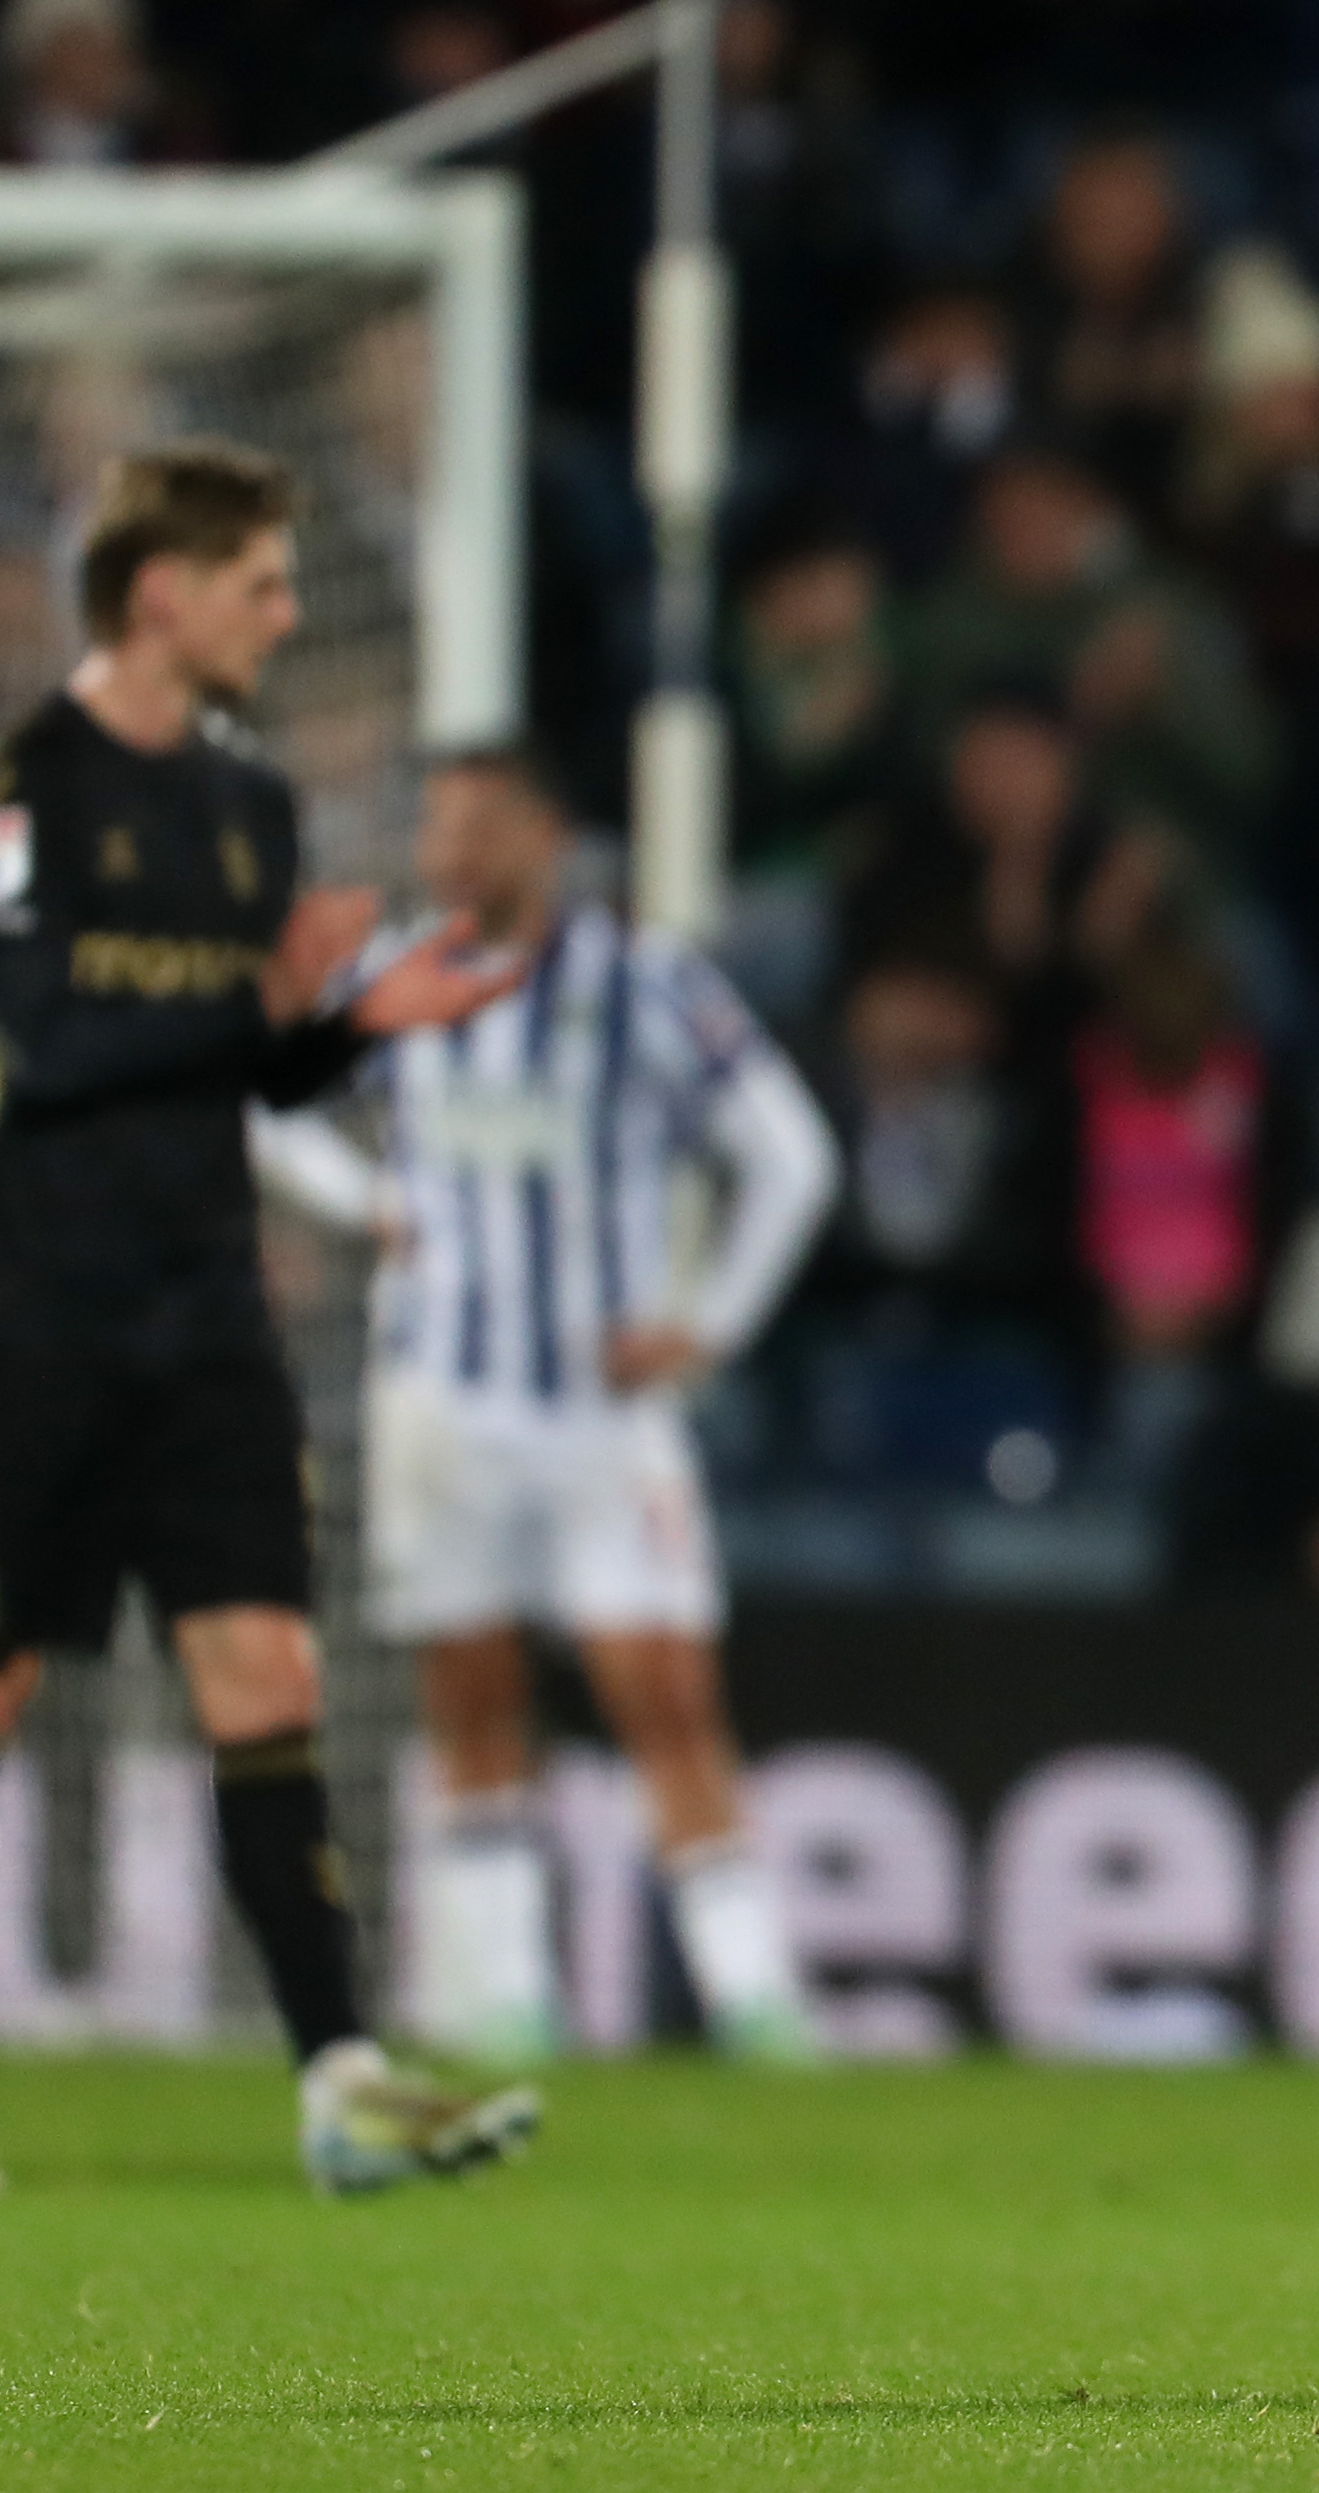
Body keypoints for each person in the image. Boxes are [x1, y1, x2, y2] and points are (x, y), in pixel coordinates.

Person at [0, 441, 540, 2196]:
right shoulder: (14, 788)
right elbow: (36, 1049)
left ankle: (340, 2075)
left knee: (267, 1670)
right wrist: (260, 998)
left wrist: (350, 1024)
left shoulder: (249, 810)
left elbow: (235, 1068)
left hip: (201, 1314)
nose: (286, 610)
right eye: (259, 578)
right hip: (30, 1312)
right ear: (159, 593)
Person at [251, 743, 843, 2065]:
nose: (450, 850)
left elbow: (791, 1157)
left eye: (478, 825)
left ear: (544, 835)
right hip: (439, 1404)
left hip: (598, 1413)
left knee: (666, 1692)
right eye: (435, 823)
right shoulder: (382, 979)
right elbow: (257, 1095)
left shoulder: (640, 981)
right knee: (470, 1694)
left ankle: (757, 2001)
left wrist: (707, 1327)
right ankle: (504, 1999)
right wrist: (370, 1204)